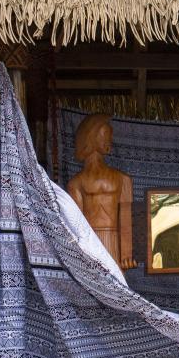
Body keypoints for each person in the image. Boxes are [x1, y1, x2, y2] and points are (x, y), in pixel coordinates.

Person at [67, 114, 136, 269]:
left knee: (116, 286)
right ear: (91, 137)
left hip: (114, 240)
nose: (109, 141)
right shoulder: (76, 183)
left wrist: (126, 254)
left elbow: (125, 217)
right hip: (90, 242)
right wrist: (80, 254)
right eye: (104, 135)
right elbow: (77, 224)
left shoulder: (123, 179)